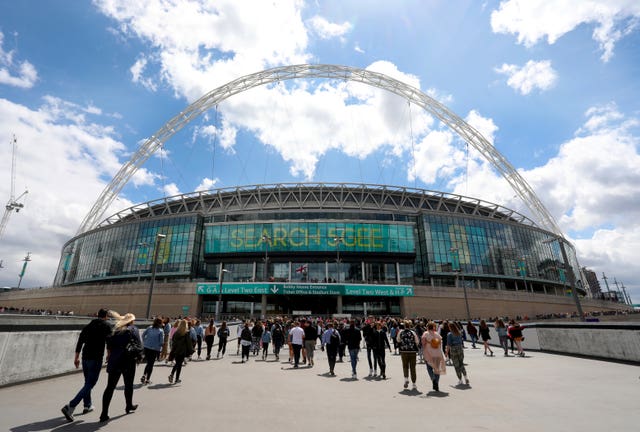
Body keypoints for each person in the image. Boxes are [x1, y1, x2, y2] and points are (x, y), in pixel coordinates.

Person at [61, 308, 112, 422]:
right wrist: (109, 355)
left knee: (87, 382)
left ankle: (87, 405)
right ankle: (70, 406)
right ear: (106, 316)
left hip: (85, 357)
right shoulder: (107, 326)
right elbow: (109, 342)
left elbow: (80, 342)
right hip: (96, 358)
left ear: (98, 315)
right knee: (90, 383)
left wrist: (76, 358)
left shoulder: (88, 326)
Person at [99, 311, 142, 422]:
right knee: (128, 385)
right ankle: (128, 406)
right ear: (131, 321)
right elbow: (139, 346)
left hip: (115, 360)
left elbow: (109, 344)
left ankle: (104, 413)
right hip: (128, 361)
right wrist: (139, 357)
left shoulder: (115, 329)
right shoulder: (134, 330)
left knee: (110, 387)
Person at [422, 321, 447, 392]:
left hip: (428, 354)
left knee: (429, 368)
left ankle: (433, 379)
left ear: (427, 327)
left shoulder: (425, 334)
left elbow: (423, 344)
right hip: (437, 354)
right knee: (437, 370)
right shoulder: (437, 334)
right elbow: (440, 343)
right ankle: (436, 383)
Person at [169, 319, 194, 383]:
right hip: (182, 351)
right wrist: (191, 351)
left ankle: (172, 374)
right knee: (179, 365)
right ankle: (176, 378)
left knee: (177, 363)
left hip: (176, 350)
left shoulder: (176, 332)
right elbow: (189, 343)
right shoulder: (186, 333)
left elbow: (173, 341)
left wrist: (173, 349)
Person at [140, 317, 164, 385]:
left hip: (147, 347)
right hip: (155, 349)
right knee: (151, 364)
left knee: (148, 363)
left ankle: (144, 375)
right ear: (160, 323)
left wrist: (145, 342)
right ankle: (147, 379)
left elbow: (143, 335)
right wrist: (161, 349)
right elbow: (161, 342)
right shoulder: (160, 331)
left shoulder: (149, 327)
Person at [396, 321, 419, 390]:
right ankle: (414, 384)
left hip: (404, 351)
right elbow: (417, 341)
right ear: (410, 325)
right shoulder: (413, 332)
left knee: (405, 366)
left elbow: (398, 340)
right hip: (412, 352)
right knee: (413, 367)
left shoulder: (401, 332)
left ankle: (406, 378)